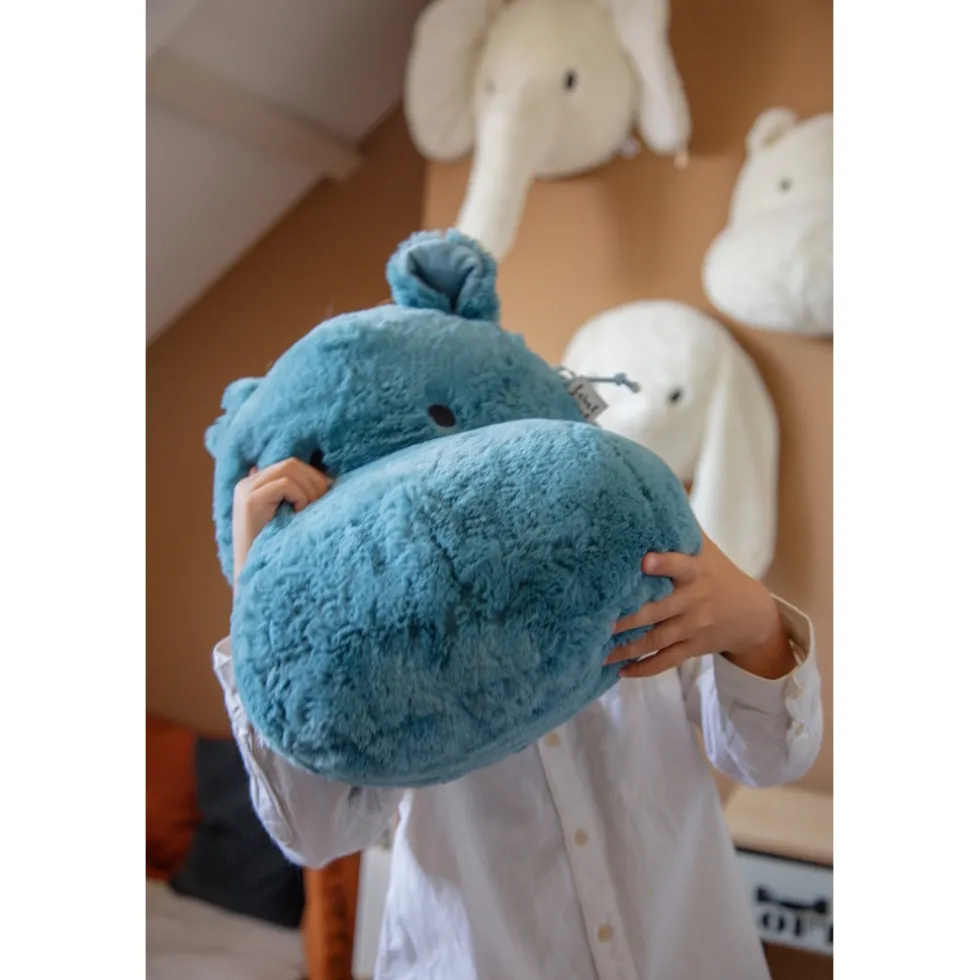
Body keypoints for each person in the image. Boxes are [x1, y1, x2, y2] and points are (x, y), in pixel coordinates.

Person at [214, 457, 822, 980]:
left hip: (686, 952)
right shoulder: (375, 617)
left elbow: (768, 757)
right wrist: (262, 609)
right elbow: (317, 834)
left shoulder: (625, 543)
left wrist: (758, 626)